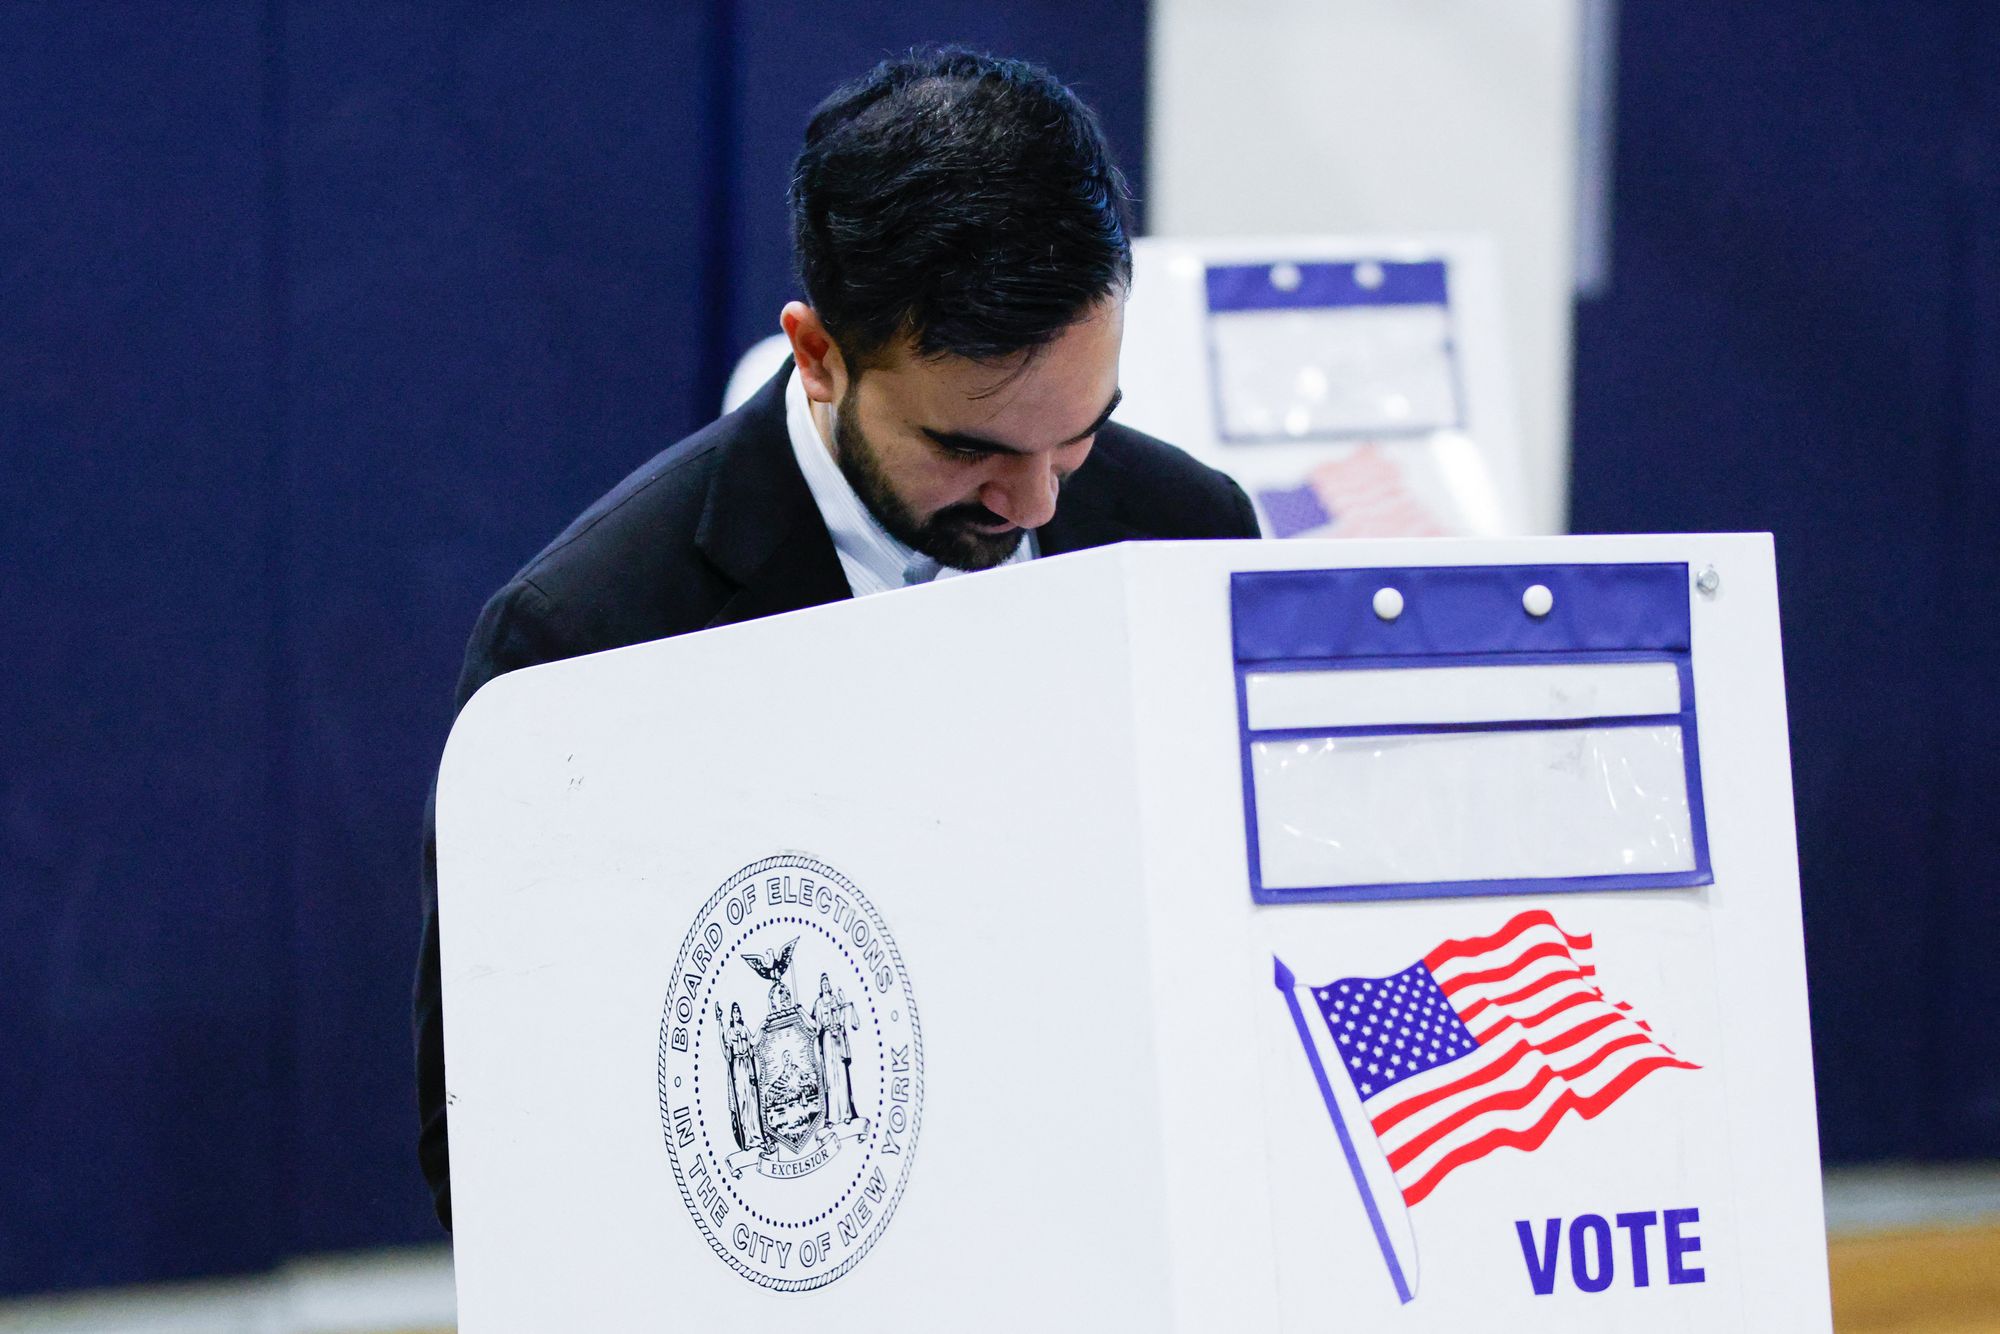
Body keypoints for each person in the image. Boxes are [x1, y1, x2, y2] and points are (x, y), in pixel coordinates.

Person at [414, 47, 1261, 1230]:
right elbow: (495, 1135)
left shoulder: (1189, 531)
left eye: (1078, 432)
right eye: (969, 450)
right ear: (817, 355)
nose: (1038, 505)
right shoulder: (586, 643)